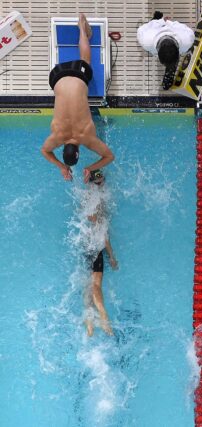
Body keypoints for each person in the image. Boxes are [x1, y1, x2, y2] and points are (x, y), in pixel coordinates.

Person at [41, 14, 114, 183]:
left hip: (77, 72)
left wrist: (90, 168)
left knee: (85, 61)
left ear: (78, 152)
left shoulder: (87, 139)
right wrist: (61, 166)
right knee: (62, 93)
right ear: (62, 148)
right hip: (56, 74)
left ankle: (82, 28)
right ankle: (81, 29)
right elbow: (44, 151)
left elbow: (109, 157)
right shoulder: (56, 137)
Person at [84, 170, 118, 336]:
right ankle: (103, 317)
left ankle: (89, 323)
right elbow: (103, 236)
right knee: (96, 285)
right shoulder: (100, 205)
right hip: (96, 247)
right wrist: (111, 256)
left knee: (89, 285)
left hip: (86, 245)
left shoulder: (88, 198)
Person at [137, 11, 195, 89]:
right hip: (158, 31)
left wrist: (167, 22)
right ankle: (156, 19)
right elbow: (142, 29)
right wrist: (165, 22)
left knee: (172, 58)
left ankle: (157, 19)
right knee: (153, 23)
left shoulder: (186, 42)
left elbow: (142, 29)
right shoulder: (186, 41)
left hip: (161, 32)